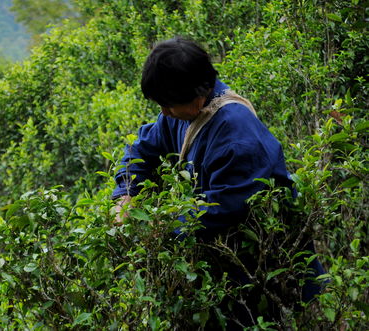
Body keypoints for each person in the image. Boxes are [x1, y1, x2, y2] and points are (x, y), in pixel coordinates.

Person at [111, 37, 324, 327]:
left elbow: (220, 211)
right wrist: (126, 195)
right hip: (224, 274)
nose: (164, 112)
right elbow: (139, 150)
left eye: (169, 105)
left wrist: (153, 226)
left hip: (264, 276)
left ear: (198, 97)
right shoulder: (180, 113)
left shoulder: (237, 137)